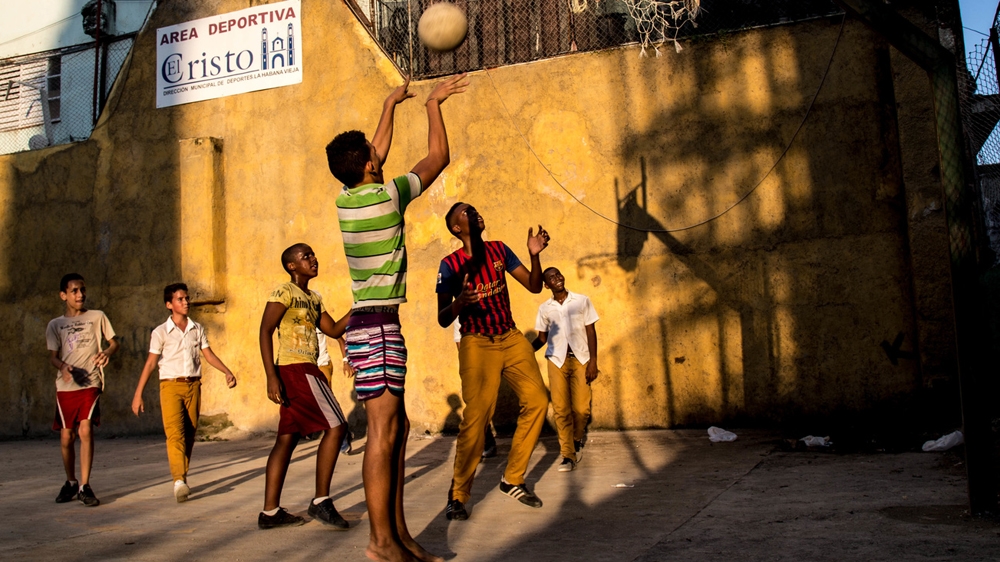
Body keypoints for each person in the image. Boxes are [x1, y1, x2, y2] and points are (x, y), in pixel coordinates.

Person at [326, 74, 466, 562]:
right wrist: (431, 105)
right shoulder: (389, 197)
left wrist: (390, 102)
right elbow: (436, 159)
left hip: (373, 325)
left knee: (398, 430)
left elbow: (375, 151)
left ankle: (401, 536)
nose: (378, 154)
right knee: (382, 435)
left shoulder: (347, 201)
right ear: (369, 166)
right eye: (373, 155)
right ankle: (380, 543)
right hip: (377, 328)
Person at [436, 202, 550, 521]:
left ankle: (512, 478)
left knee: (538, 400)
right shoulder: (450, 264)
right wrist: (460, 302)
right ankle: (458, 495)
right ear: (456, 228)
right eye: (465, 213)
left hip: (510, 337)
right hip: (477, 342)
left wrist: (535, 255)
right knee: (476, 416)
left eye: (474, 209)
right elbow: (443, 318)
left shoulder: (500, 250)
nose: (474, 213)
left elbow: (533, 285)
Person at [257, 243, 352, 530]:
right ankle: (321, 501)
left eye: (313, 253)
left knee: (286, 438)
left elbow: (333, 330)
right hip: (295, 369)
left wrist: (359, 306)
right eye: (306, 256)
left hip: (306, 368)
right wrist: (271, 376)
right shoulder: (284, 292)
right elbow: (265, 330)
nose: (313, 259)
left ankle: (270, 513)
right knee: (336, 427)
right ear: (291, 266)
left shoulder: (314, 298)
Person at [131, 283, 238, 502]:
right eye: (180, 299)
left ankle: (183, 477)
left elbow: (208, 355)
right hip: (170, 386)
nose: (186, 302)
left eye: (187, 298)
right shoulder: (160, 332)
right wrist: (138, 393)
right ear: (169, 305)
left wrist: (227, 371)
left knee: (189, 433)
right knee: (174, 433)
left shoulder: (196, 328)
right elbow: (151, 363)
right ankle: (178, 480)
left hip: (193, 385)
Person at [46, 273, 119, 507]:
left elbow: (114, 342)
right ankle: (70, 482)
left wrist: (107, 353)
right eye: (74, 291)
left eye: (82, 290)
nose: (80, 294)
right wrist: (63, 367)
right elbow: (53, 358)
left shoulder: (97, 317)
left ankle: (84, 486)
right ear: (63, 295)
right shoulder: (55, 325)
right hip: (66, 387)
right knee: (67, 436)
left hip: (91, 382)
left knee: (85, 430)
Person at [533, 267, 600, 472]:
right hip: (556, 360)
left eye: (559, 274)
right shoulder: (545, 308)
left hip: (580, 358)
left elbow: (591, 331)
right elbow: (542, 339)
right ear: (547, 285)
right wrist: (524, 352)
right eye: (552, 278)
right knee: (561, 410)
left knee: (581, 409)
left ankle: (577, 438)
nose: (557, 279)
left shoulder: (581, 301)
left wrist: (593, 361)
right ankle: (568, 455)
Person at [454, 320, 497, 459]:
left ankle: (486, 442)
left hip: (489, 361)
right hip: (472, 364)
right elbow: (460, 344)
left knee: (484, 403)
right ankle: (483, 441)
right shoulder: (459, 315)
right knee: (474, 404)